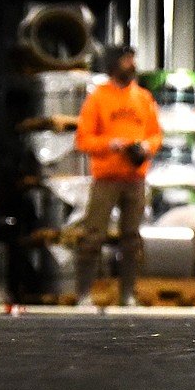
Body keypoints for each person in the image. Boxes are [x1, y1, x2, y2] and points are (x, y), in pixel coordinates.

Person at [75, 45, 163, 306]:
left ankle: (128, 294)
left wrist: (147, 147)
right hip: (106, 179)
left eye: (133, 60)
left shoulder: (144, 98)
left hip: (135, 179)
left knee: (132, 239)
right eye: (126, 60)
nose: (132, 65)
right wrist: (110, 144)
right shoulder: (98, 98)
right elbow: (83, 140)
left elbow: (156, 134)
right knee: (93, 236)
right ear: (114, 65)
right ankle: (84, 295)